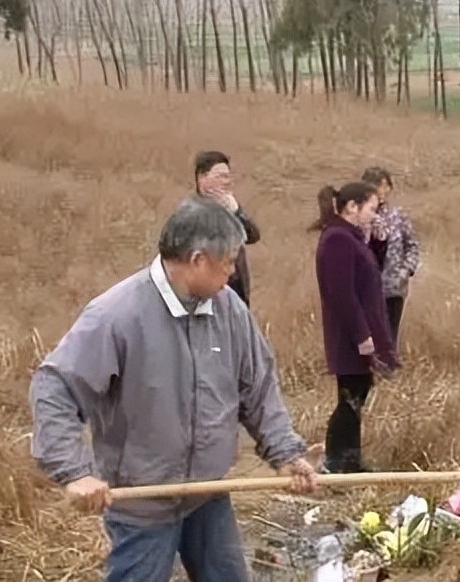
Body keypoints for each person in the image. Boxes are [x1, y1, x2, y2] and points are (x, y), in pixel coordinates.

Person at [28, 197, 318, 582]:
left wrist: (285, 453)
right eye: (229, 261)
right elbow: (56, 387)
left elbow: (258, 387)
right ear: (198, 259)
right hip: (143, 503)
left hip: (207, 495)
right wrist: (73, 472)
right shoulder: (118, 315)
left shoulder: (228, 309)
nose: (233, 273)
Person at [310, 181, 401, 474]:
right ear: (352, 207)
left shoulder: (350, 237)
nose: (375, 215)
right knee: (350, 397)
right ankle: (338, 461)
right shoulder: (337, 240)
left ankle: (349, 458)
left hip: (357, 332)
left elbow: (369, 273)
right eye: (371, 209)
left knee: (357, 394)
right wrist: (362, 336)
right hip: (349, 335)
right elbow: (343, 295)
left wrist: (378, 242)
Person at [361, 167, 421, 347]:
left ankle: (387, 371)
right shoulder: (360, 217)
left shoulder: (398, 216)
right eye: (379, 186)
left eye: (387, 186)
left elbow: (412, 246)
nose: (383, 191)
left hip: (394, 288)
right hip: (366, 289)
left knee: (389, 336)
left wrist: (405, 270)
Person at [193, 150, 261, 307]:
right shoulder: (193, 213)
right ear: (202, 178)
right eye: (220, 176)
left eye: (228, 176)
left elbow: (253, 235)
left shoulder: (229, 209)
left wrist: (236, 211)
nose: (227, 181)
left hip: (238, 298)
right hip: (210, 300)